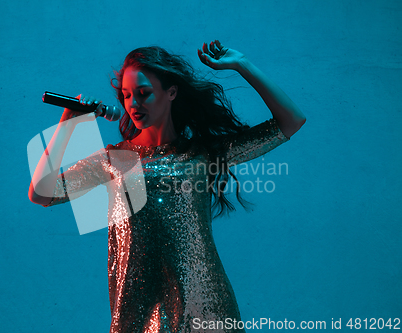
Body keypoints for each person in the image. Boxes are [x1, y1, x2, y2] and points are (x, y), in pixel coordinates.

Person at [29, 40, 306, 332]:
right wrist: (67, 124)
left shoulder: (201, 155)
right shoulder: (114, 159)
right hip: (139, 308)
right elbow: (42, 192)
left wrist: (242, 63)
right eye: (126, 96)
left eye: (143, 93)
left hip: (205, 302)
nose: (133, 104)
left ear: (171, 92)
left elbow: (291, 121)